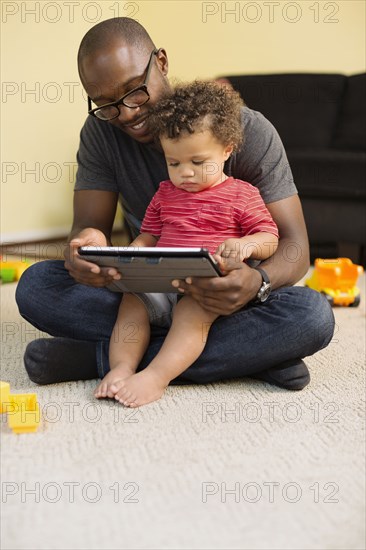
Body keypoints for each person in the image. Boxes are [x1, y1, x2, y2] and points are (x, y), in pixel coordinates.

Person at [16, 17, 335, 391]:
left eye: (134, 91)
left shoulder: (248, 131)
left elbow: (295, 248)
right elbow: (90, 226)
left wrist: (256, 283)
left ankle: (97, 358)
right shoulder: (101, 132)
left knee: (312, 317)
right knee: (36, 286)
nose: (127, 113)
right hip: (150, 289)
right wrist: (86, 248)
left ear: (161, 63)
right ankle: (251, 355)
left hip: (226, 296)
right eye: (106, 105)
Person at [95, 81, 279, 407]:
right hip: (163, 281)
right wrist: (134, 252)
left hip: (207, 291)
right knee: (130, 303)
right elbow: (149, 235)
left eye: (198, 161)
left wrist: (247, 244)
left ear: (227, 149)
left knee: (196, 313)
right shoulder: (165, 193)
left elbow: (270, 238)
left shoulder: (242, 194)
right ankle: (121, 367)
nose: (186, 173)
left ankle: (156, 375)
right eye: (174, 163)